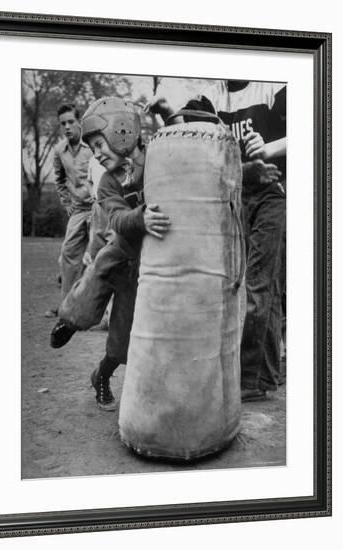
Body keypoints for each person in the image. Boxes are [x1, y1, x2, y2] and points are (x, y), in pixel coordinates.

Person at [149, 81, 286, 402]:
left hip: (272, 193)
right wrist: (169, 112)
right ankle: (263, 373)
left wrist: (269, 147)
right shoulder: (212, 96)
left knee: (258, 284)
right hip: (235, 195)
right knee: (252, 286)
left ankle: (250, 380)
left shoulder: (272, 88)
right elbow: (194, 141)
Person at [51, 97, 171, 411]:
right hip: (119, 251)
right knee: (89, 293)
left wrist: (168, 114)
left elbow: (183, 151)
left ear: (123, 131)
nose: (97, 153)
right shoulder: (106, 182)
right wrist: (140, 217)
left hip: (143, 268)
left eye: (99, 143)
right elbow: (117, 218)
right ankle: (70, 320)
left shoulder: (157, 159)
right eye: (91, 146)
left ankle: (100, 377)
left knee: (121, 343)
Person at [45, 104, 94, 318]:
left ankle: (99, 310)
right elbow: (59, 180)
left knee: (99, 255)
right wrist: (67, 204)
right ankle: (67, 308)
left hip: (97, 209)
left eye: (70, 122)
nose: (67, 127)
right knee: (68, 254)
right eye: (63, 123)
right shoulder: (59, 151)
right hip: (77, 211)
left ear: (79, 122)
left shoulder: (93, 146)